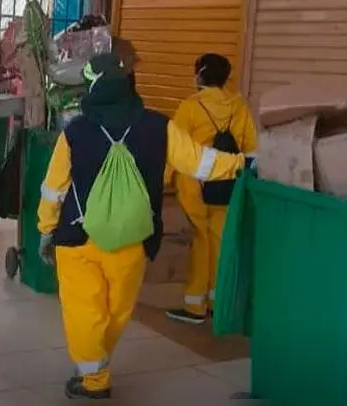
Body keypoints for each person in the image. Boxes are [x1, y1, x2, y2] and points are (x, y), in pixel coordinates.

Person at [37, 53, 254, 400]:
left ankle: (94, 377)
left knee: (84, 309)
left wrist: (46, 227)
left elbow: (54, 187)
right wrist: (243, 164)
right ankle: (96, 365)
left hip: (79, 238)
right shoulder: (159, 127)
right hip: (133, 241)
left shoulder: (76, 131)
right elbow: (202, 163)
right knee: (116, 311)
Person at [166, 53, 258, 325]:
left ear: (200, 74)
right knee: (221, 241)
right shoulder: (239, 105)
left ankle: (194, 306)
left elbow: (175, 148)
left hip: (194, 185)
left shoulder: (190, 107)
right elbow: (251, 147)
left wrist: (163, 180)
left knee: (200, 241)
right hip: (229, 183)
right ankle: (218, 302)